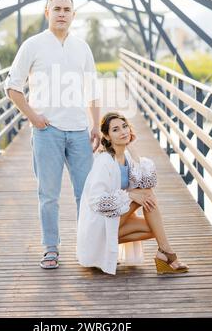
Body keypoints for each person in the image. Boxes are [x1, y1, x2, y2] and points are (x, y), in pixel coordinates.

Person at [4, 0, 101, 269]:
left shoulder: (82, 47)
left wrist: (96, 124)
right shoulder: (32, 45)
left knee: (86, 193)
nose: (61, 13)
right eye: (56, 8)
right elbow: (13, 87)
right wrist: (33, 117)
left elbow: (93, 89)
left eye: (66, 9)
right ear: (47, 13)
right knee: (49, 194)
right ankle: (50, 248)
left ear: (73, 14)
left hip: (80, 131)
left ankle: (88, 247)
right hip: (47, 131)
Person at [77, 112, 189, 275]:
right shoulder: (104, 162)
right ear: (107, 137)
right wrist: (129, 195)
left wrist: (133, 150)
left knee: (155, 229)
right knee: (146, 194)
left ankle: (163, 250)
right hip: (99, 225)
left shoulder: (127, 157)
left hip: (115, 222)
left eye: (125, 126)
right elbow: (96, 202)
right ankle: (167, 254)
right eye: (115, 130)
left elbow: (148, 181)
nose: (123, 132)